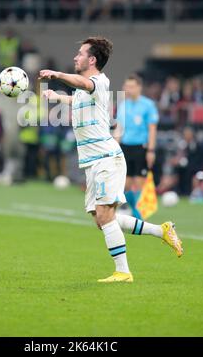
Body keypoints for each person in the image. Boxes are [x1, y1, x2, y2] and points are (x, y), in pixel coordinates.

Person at [40, 37, 183, 284]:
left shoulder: (98, 81)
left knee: (106, 216)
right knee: (102, 219)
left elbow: (83, 83)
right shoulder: (87, 90)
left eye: (80, 53)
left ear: (92, 59)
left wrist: (56, 74)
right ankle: (162, 231)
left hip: (106, 159)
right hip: (94, 163)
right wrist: (58, 97)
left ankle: (123, 272)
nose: (75, 57)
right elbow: (79, 98)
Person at [113, 74, 159, 219]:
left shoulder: (148, 105)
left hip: (141, 147)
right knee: (124, 183)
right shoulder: (123, 104)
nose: (128, 89)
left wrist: (151, 150)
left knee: (139, 182)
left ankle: (138, 216)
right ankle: (132, 209)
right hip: (125, 147)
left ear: (139, 87)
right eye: (126, 86)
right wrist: (114, 147)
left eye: (131, 86)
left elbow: (152, 129)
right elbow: (119, 128)